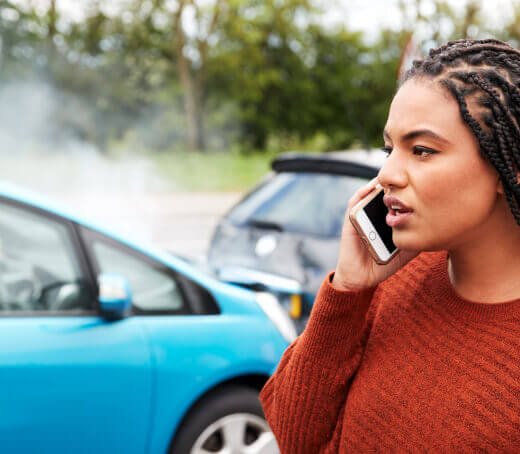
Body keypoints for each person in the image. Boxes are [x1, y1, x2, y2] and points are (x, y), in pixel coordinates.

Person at [259, 38, 520, 453]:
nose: (387, 175)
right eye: (389, 148)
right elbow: (295, 436)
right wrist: (347, 289)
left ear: (510, 169)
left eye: (422, 150)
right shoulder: (392, 280)